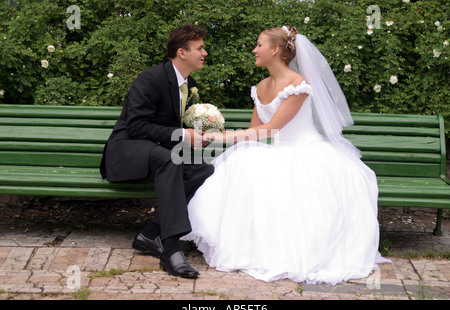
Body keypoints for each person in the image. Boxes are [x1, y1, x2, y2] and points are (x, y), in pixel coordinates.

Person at [182, 26, 390, 285]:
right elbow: (255, 130)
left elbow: (271, 129)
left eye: (259, 45)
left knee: (278, 180)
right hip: (276, 149)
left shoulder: (297, 84)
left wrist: (221, 136)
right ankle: (246, 244)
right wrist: (219, 134)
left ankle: (287, 251)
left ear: (275, 50)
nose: (254, 50)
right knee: (241, 166)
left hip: (304, 151)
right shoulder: (261, 85)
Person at [100, 25, 214, 279]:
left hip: (155, 150)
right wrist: (183, 135)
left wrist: (196, 137)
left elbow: (172, 126)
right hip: (126, 149)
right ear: (182, 52)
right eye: (200, 48)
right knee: (170, 160)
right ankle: (170, 248)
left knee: (203, 169)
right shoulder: (151, 78)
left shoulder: (189, 84)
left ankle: (150, 233)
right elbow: (137, 126)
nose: (205, 52)